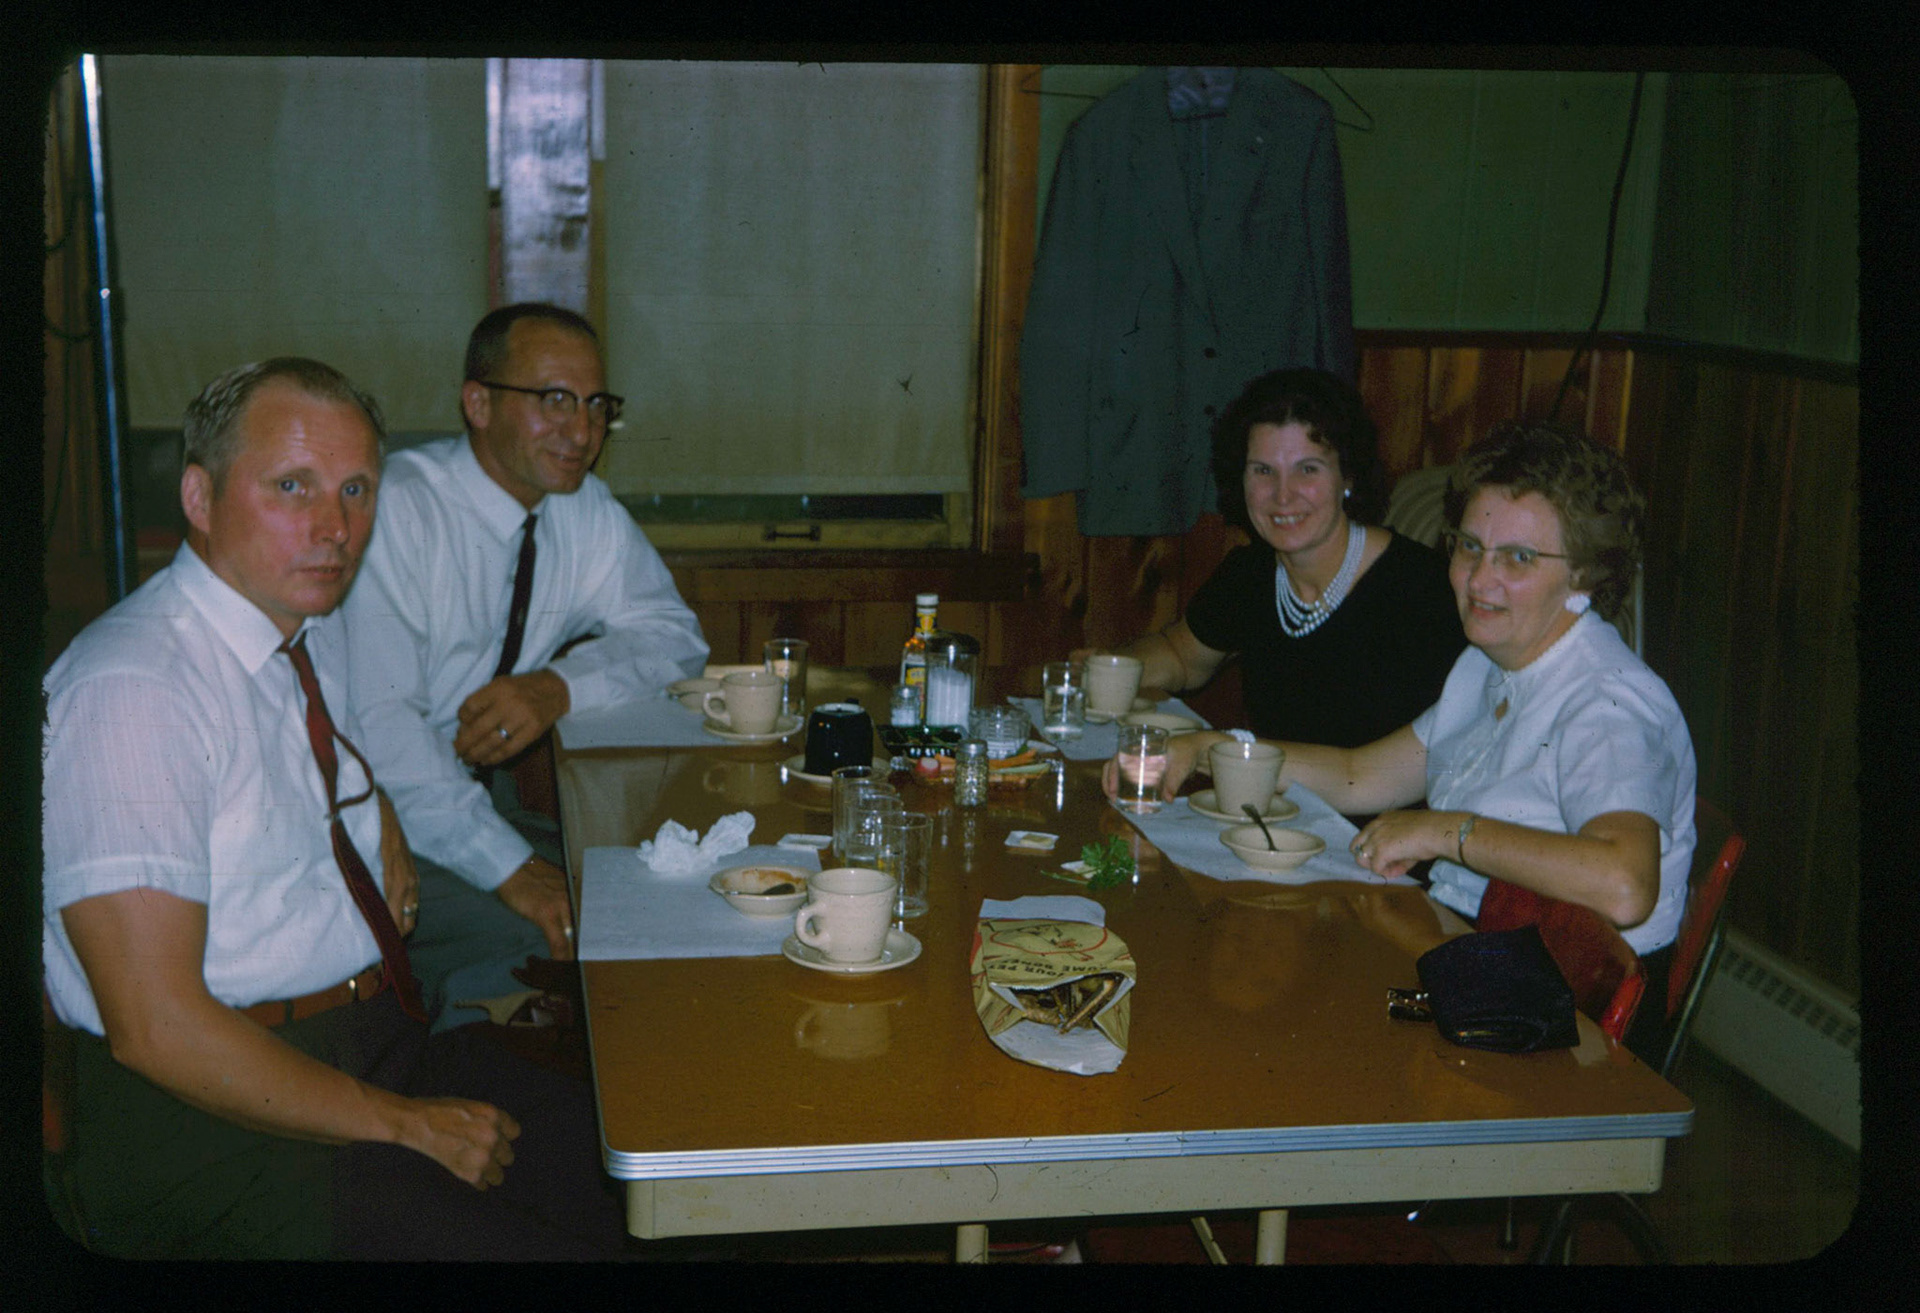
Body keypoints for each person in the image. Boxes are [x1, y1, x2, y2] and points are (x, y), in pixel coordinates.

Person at [42, 359, 634, 1258]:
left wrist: (378, 812)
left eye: (356, 489)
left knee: (614, 1162)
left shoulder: (291, 628)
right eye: (292, 487)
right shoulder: (135, 690)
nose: (336, 527)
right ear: (199, 498)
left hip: (363, 1043)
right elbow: (155, 1027)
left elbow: (297, 766)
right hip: (213, 1129)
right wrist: (402, 1125)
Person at [1132, 420, 1697, 1063]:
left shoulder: (1608, 703)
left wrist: (1442, 831)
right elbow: (1358, 775)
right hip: (1472, 962)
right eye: (1470, 547)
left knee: (1278, 1030)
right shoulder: (1490, 662)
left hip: (1562, 1031)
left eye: (1518, 558)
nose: (1480, 579)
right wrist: (1219, 750)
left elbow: (1625, 884)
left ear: (1586, 577)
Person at [343, 303, 708, 1027]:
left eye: (596, 405)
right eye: (554, 401)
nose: (583, 432)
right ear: (477, 403)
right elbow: (383, 730)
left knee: (656, 894)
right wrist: (510, 869)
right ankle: (468, 1100)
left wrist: (558, 686)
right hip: (373, 813)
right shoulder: (403, 510)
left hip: (481, 799)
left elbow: (673, 634)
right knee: (550, 939)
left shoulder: (579, 510)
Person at [1080, 367, 1464, 749]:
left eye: (1307, 469)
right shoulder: (1252, 573)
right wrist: (1106, 668)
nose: (1283, 495)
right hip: (1272, 804)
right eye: (1263, 470)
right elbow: (1181, 656)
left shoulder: (1421, 590)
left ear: (1348, 477)